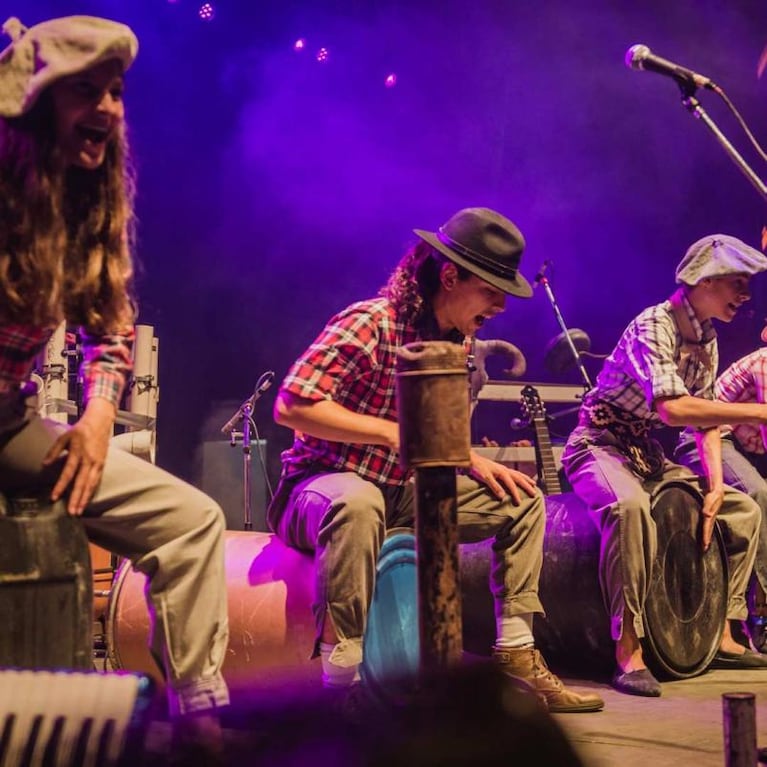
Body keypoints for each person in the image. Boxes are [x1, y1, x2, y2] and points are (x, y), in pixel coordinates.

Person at [267, 206, 604, 713]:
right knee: (358, 503)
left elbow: (435, 435)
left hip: (402, 495)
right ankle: (341, 685)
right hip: (320, 489)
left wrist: (468, 459)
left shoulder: (458, 344)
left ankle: (515, 649)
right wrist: (391, 433)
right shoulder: (372, 322)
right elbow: (291, 404)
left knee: (522, 499)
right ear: (450, 276)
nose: (500, 305)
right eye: (491, 289)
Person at [0, 14, 229, 749]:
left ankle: (199, 722)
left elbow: (112, 330)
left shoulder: (85, 203)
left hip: (6, 424)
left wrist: (98, 417)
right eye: (84, 92)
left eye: (116, 92)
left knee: (192, 522)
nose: (107, 108)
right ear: (36, 105)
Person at [562, 234, 767, 698]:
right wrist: (756, 411)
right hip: (598, 444)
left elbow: (707, 419)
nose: (745, 296)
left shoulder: (707, 337)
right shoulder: (656, 324)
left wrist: (715, 485)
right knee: (629, 508)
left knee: (743, 510)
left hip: (646, 453)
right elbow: (674, 409)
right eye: (738, 283)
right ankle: (628, 646)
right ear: (706, 281)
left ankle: (724, 635)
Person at [675, 332, 767, 652]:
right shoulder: (765, 363)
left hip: (743, 449)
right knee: (758, 494)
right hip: (705, 440)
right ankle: (760, 615)